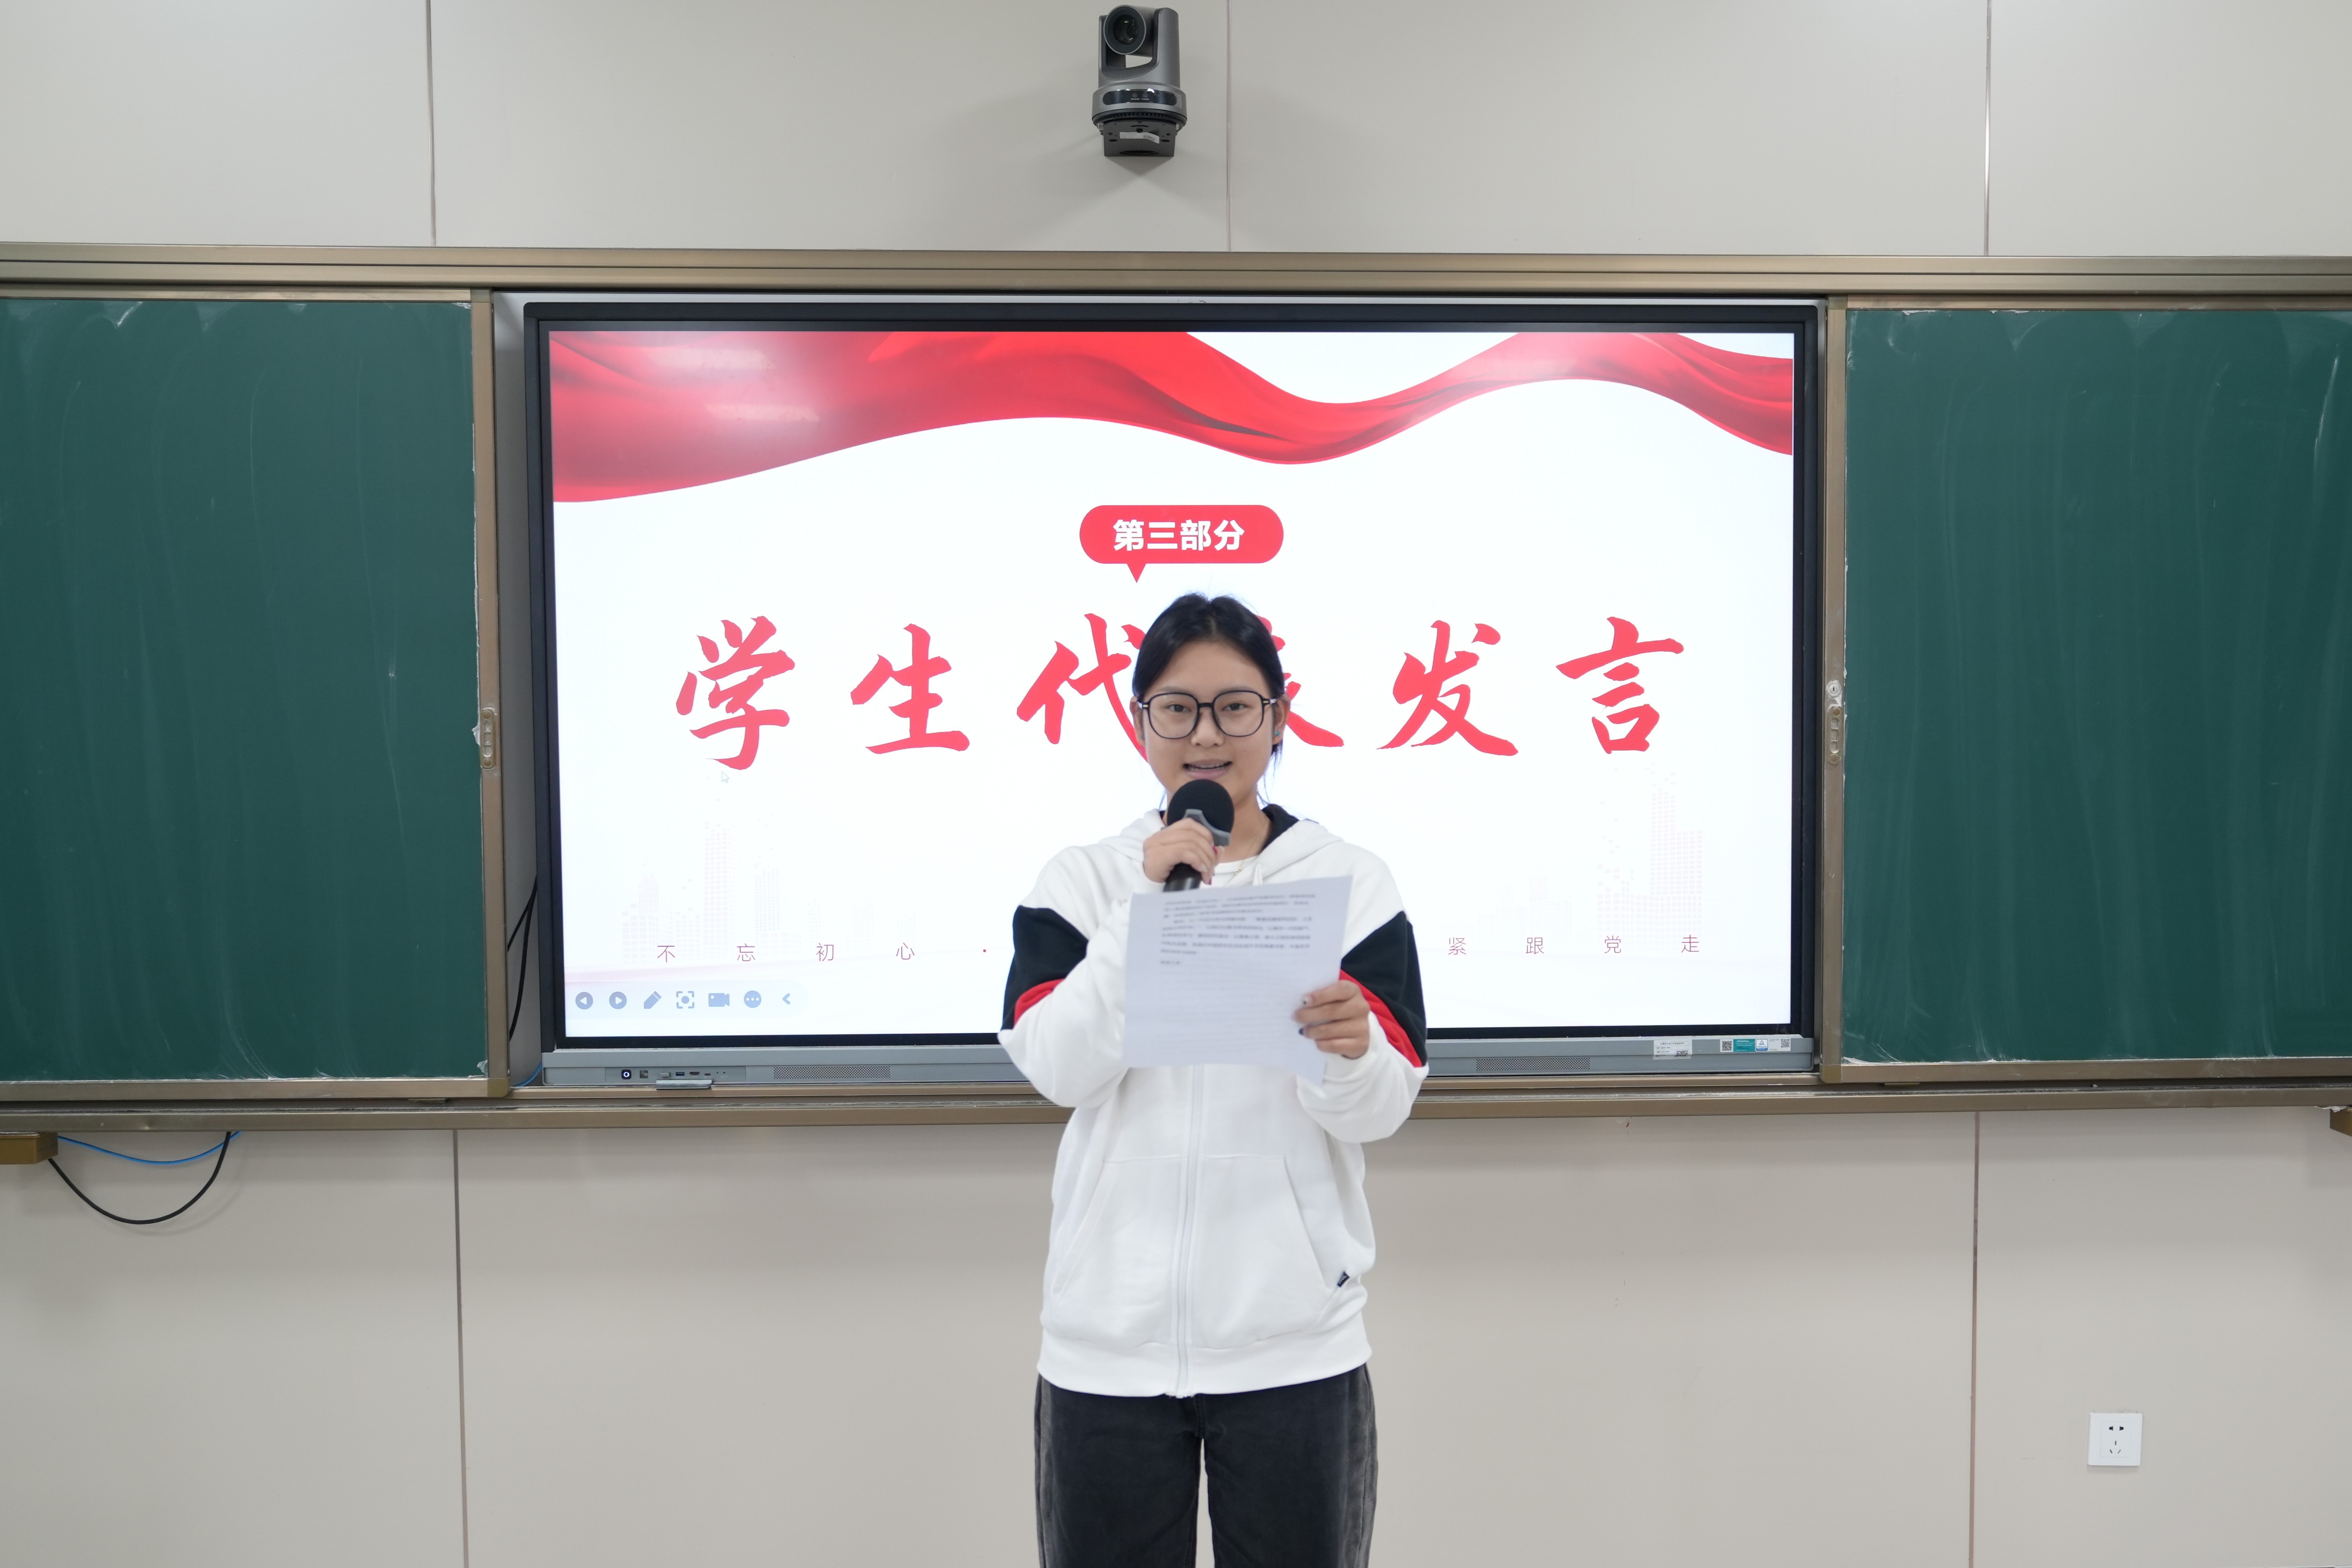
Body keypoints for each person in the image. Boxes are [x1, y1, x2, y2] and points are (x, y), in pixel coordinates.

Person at [1000, 593, 1428, 1568]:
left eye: (1235, 708)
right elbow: (1060, 1067)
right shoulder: (1083, 883)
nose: (1206, 735)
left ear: (1278, 719)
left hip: (1295, 1344)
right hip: (1105, 1346)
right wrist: (1144, 906)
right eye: (1178, 708)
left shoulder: (1349, 882)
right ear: (1139, 721)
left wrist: (1346, 1051)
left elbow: (1382, 1107)